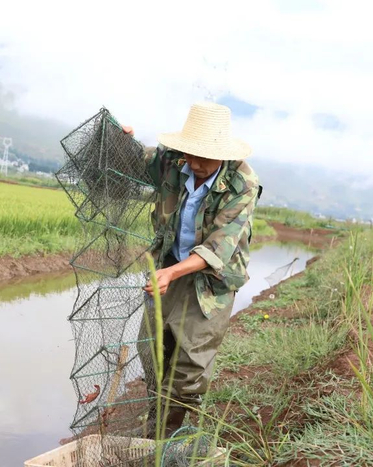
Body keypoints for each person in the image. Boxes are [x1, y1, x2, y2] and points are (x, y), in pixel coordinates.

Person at [123, 101, 261, 438]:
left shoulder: (242, 183)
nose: (196, 163)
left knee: (190, 360)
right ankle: (157, 415)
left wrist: (172, 274)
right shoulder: (173, 160)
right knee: (152, 348)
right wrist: (122, 140)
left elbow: (218, 246)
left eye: (205, 157)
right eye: (191, 154)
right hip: (169, 264)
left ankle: (168, 433)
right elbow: (134, 160)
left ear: (223, 154)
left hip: (211, 280)